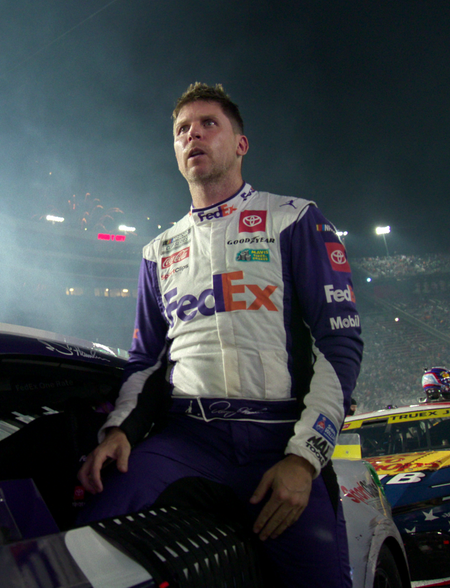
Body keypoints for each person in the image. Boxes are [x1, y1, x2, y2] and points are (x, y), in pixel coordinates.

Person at [77, 83, 362, 587]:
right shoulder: (157, 252)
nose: (194, 135)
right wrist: (120, 430)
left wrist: (304, 457)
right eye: (182, 129)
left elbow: (340, 344)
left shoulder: (293, 218)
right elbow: (145, 360)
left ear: (240, 144)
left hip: (279, 440)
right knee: (87, 537)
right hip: (190, 437)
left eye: (209, 124)